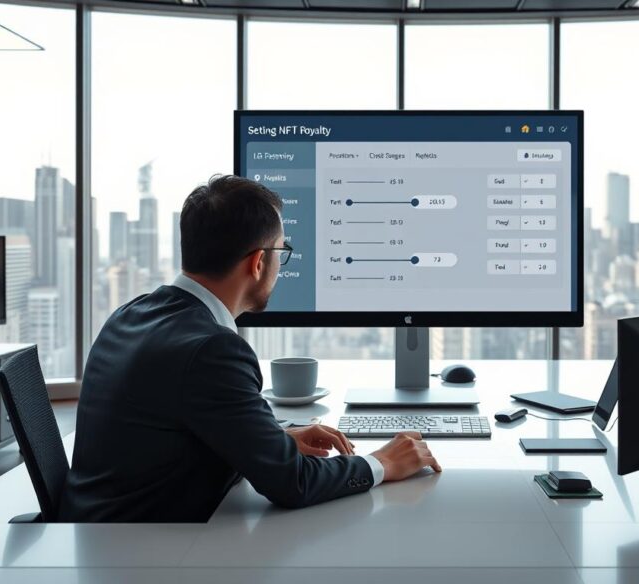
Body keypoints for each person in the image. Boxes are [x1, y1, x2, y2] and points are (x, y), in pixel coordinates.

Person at [58, 175, 441, 522]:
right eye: (280, 252)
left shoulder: (131, 314)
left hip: (99, 536)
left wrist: (269, 441)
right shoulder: (213, 349)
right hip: (146, 554)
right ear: (259, 262)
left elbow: (171, 429)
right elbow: (293, 485)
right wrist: (382, 463)